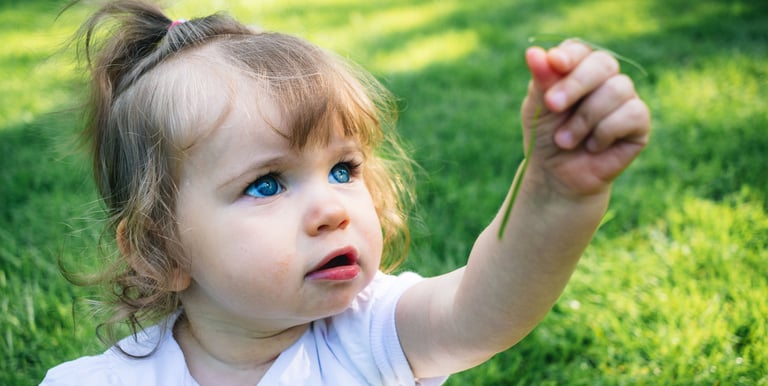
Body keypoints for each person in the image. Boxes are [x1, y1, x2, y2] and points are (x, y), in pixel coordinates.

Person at [42, 0, 651, 385]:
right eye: (266, 183)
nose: (332, 210)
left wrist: (553, 194)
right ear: (160, 250)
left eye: (343, 169)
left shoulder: (373, 334)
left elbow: (484, 307)